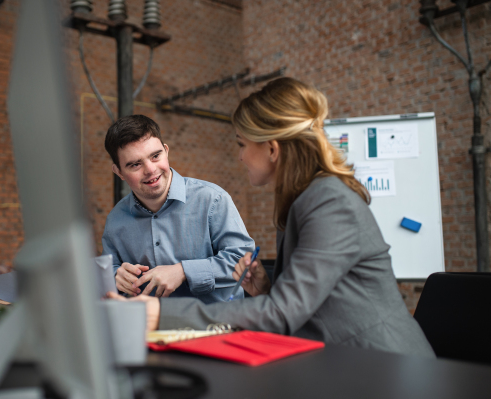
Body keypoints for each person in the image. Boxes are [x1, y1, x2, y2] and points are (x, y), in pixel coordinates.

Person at [108, 78, 435, 357]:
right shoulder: (303, 199)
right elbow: (307, 303)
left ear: (272, 150)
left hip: (384, 365)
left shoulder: (330, 202)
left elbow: (283, 312)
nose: (240, 156)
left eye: (242, 144)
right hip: (339, 360)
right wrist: (266, 288)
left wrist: (160, 313)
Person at [102, 115, 255, 304]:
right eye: (135, 164)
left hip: (216, 325)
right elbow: (108, 272)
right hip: (151, 330)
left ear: (166, 151)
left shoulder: (212, 199)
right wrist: (115, 276)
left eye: (155, 156)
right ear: (118, 172)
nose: (150, 170)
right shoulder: (115, 220)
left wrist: (183, 271)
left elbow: (244, 262)